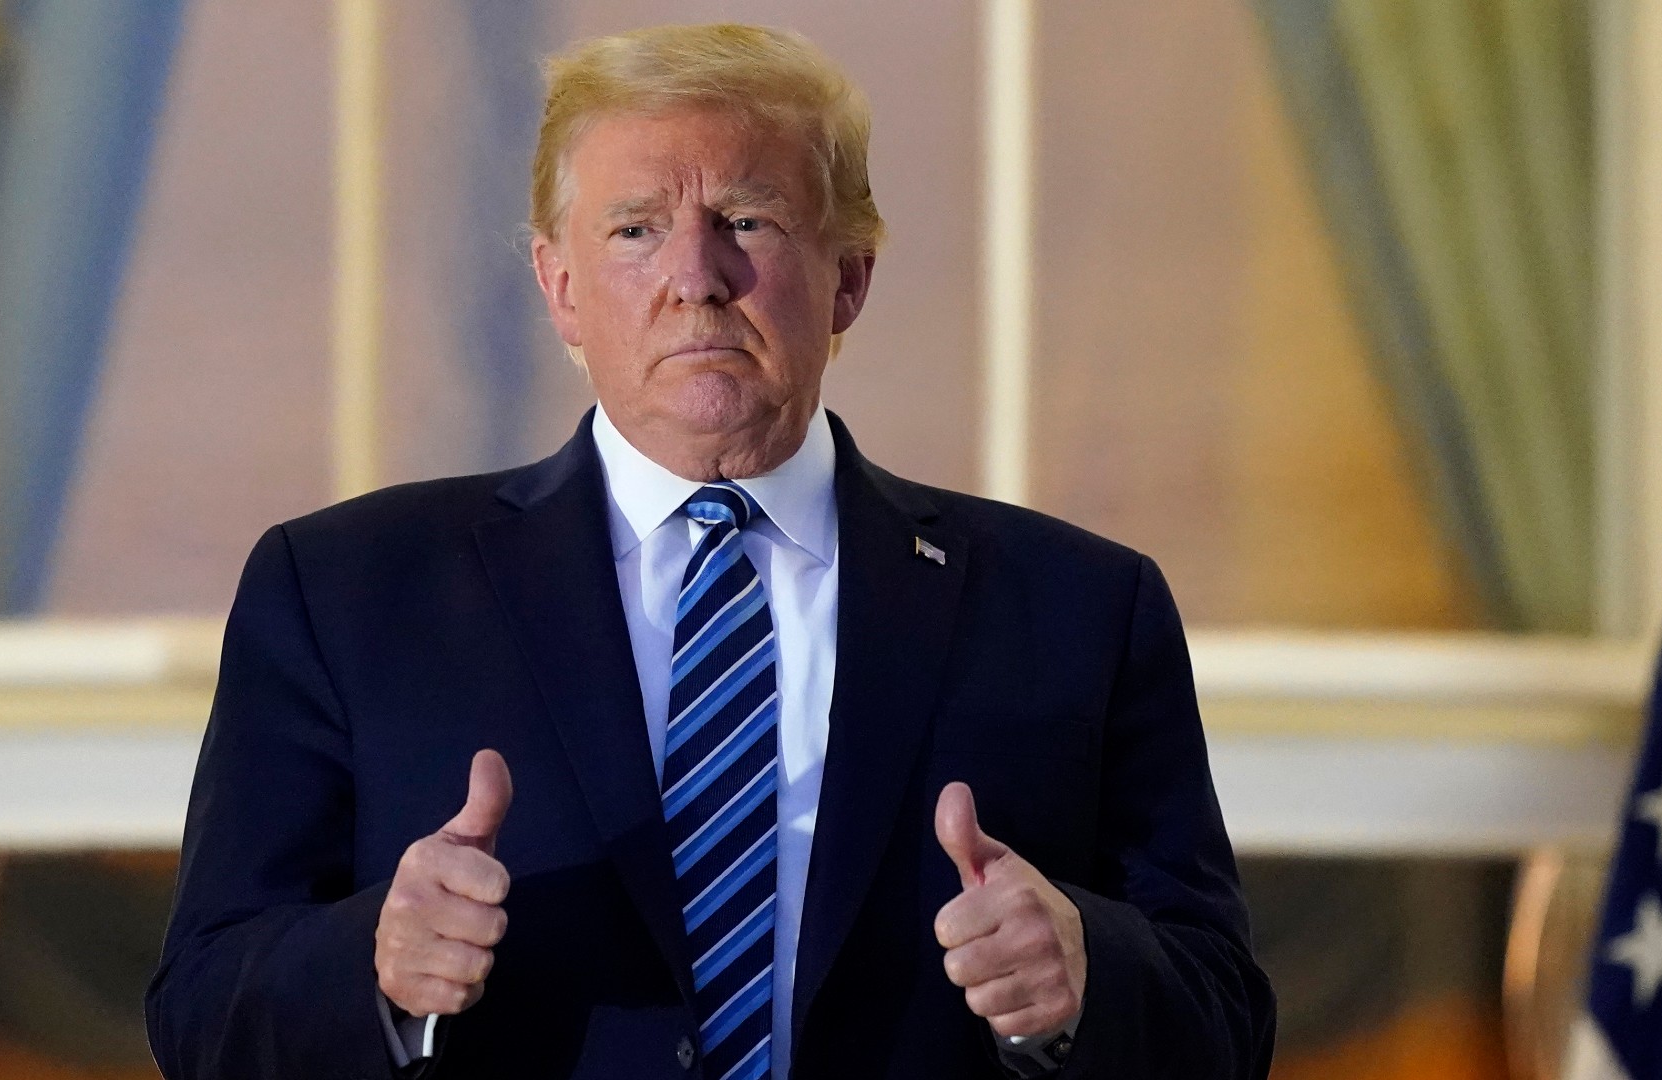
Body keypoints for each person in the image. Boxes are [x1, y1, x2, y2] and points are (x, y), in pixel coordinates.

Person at [146, 23, 1274, 1080]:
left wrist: (1086, 976)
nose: (697, 276)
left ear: (848, 280)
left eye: (748, 220)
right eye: (635, 229)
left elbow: (1225, 1017)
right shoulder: (344, 594)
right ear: (560, 288)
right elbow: (200, 1011)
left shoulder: (1078, 608)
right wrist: (377, 971)